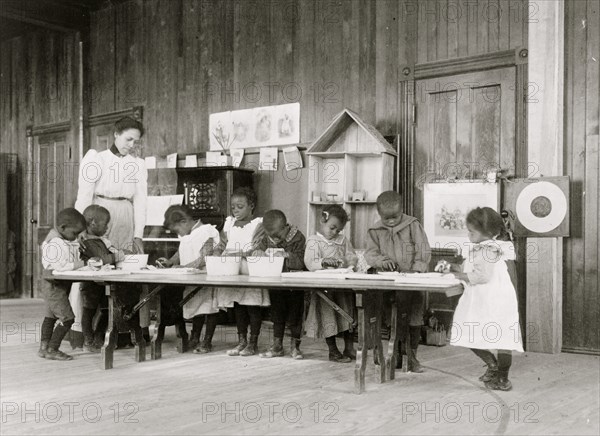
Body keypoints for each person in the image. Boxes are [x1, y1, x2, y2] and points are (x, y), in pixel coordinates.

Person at [74, 116, 149, 336]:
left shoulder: (137, 164)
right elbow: (84, 194)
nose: (131, 145)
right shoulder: (96, 159)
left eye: (135, 141)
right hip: (98, 215)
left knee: (124, 269)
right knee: (97, 271)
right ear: (115, 135)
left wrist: (138, 234)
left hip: (126, 215)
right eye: (128, 139)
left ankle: (124, 329)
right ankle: (92, 331)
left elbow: (142, 201)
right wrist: (81, 228)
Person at [449, 207, 523, 391]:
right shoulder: (493, 246)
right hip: (496, 297)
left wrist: (460, 276)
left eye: (471, 231)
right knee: (501, 337)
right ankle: (498, 372)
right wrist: (457, 269)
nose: (468, 234)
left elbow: (482, 276)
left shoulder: (485, 250)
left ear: (486, 233)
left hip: (489, 298)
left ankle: (499, 374)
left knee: (469, 331)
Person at [364, 191, 431, 373]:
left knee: (413, 318)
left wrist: (416, 269)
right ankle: (396, 356)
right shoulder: (375, 231)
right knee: (392, 319)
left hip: (413, 282)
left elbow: (423, 250)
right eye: (387, 218)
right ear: (379, 214)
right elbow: (370, 254)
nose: (392, 221)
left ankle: (412, 357)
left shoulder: (413, 225)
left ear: (402, 210)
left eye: (395, 217)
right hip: (389, 285)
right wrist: (381, 262)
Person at [213, 187, 269, 357]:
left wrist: (239, 253)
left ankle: (253, 343)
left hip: (249, 270)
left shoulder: (258, 224)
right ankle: (242, 341)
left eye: (240, 206)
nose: (235, 210)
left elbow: (259, 247)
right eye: (233, 207)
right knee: (238, 305)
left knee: (252, 306)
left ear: (251, 206)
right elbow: (222, 243)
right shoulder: (229, 223)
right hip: (232, 270)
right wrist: (216, 252)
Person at [159, 205, 220, 353]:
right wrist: (171, 262)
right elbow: (182, 250)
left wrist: (184, 267)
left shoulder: (207, 231)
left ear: (184, 222)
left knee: (209, 308)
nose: (177, 233)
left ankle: (207, 341)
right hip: (192, 278)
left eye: (176, 229)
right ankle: (195, 337)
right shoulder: (188, 234)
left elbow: (206, 258)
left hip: (207, 277)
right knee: (196, 308)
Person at [304, 204, 357, 363]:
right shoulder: (314, 241)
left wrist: (349, 261)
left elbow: (352, 256)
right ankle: (333, 350)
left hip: (342, 287)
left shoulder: (343, 241)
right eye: (332, 228)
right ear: (322, 220)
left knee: (348, 315)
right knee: (328, 317)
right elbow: (310, 262)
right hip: (325, 288)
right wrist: (324, 262)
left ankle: (349, 348)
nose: (334, 233)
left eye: (338, 230)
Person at [253, 210, 306, 359]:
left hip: (295, 284)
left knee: (295, 316)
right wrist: (258, 253)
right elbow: (258, 250)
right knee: (277, 315)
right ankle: (277, 346)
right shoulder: (267, 238)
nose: (273, 238)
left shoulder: (298, 237)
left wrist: (287, 256)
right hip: (276, 283)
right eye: (270, 235)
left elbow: (303, 260)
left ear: (285, 227)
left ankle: (295, 347)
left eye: (276, 234)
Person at [39, 208, 87, 360]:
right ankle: (53, 349)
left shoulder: (58, 239)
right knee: (68, 319)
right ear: (63, 227)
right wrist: (81, 264)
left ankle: (44, 348)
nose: (75, 237)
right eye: (74, 233)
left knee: (50, 316)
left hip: (53, 286)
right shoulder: (56, 243)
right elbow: (60, 266)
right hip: (54, 287)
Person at [78, 205, 127, 353]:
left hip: (102, 283)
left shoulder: (99, 241)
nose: (107, 228)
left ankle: (98, 338)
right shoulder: (88, 243)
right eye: (105, 224)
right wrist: (116, 256)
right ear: (93, 223)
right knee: (89, 311)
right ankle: (88, 341)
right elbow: (101, 259)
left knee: (106, 310)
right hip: (91, 284)